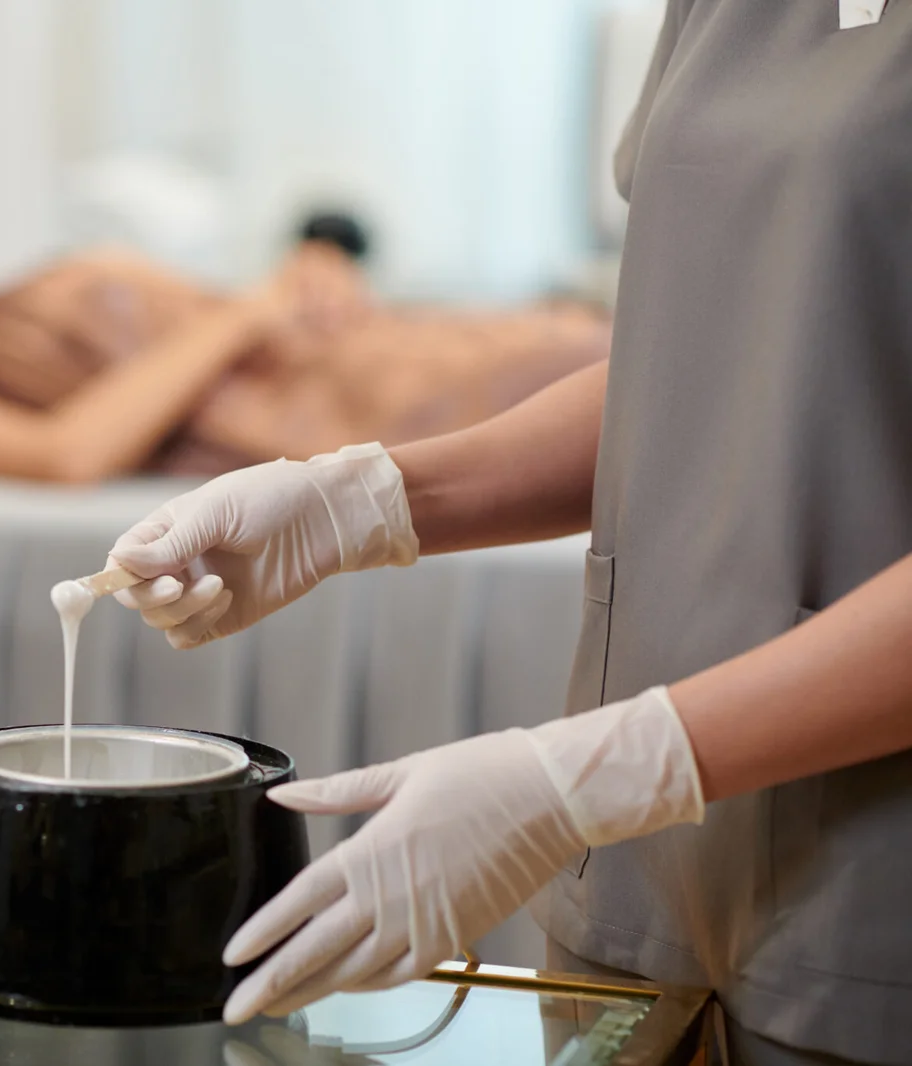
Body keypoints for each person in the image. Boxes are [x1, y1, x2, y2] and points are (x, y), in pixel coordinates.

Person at [102, 5, 912, 1064]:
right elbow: (721, 358)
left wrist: (582, 777)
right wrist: (364, 501)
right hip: (647, 880)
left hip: (870, 897)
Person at [0, 218, 607, 481]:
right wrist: (243, 313)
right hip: (333, 404)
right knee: (626, 372)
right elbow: (65, 456)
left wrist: (285, 289)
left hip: (353, 355)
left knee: (607, 350)